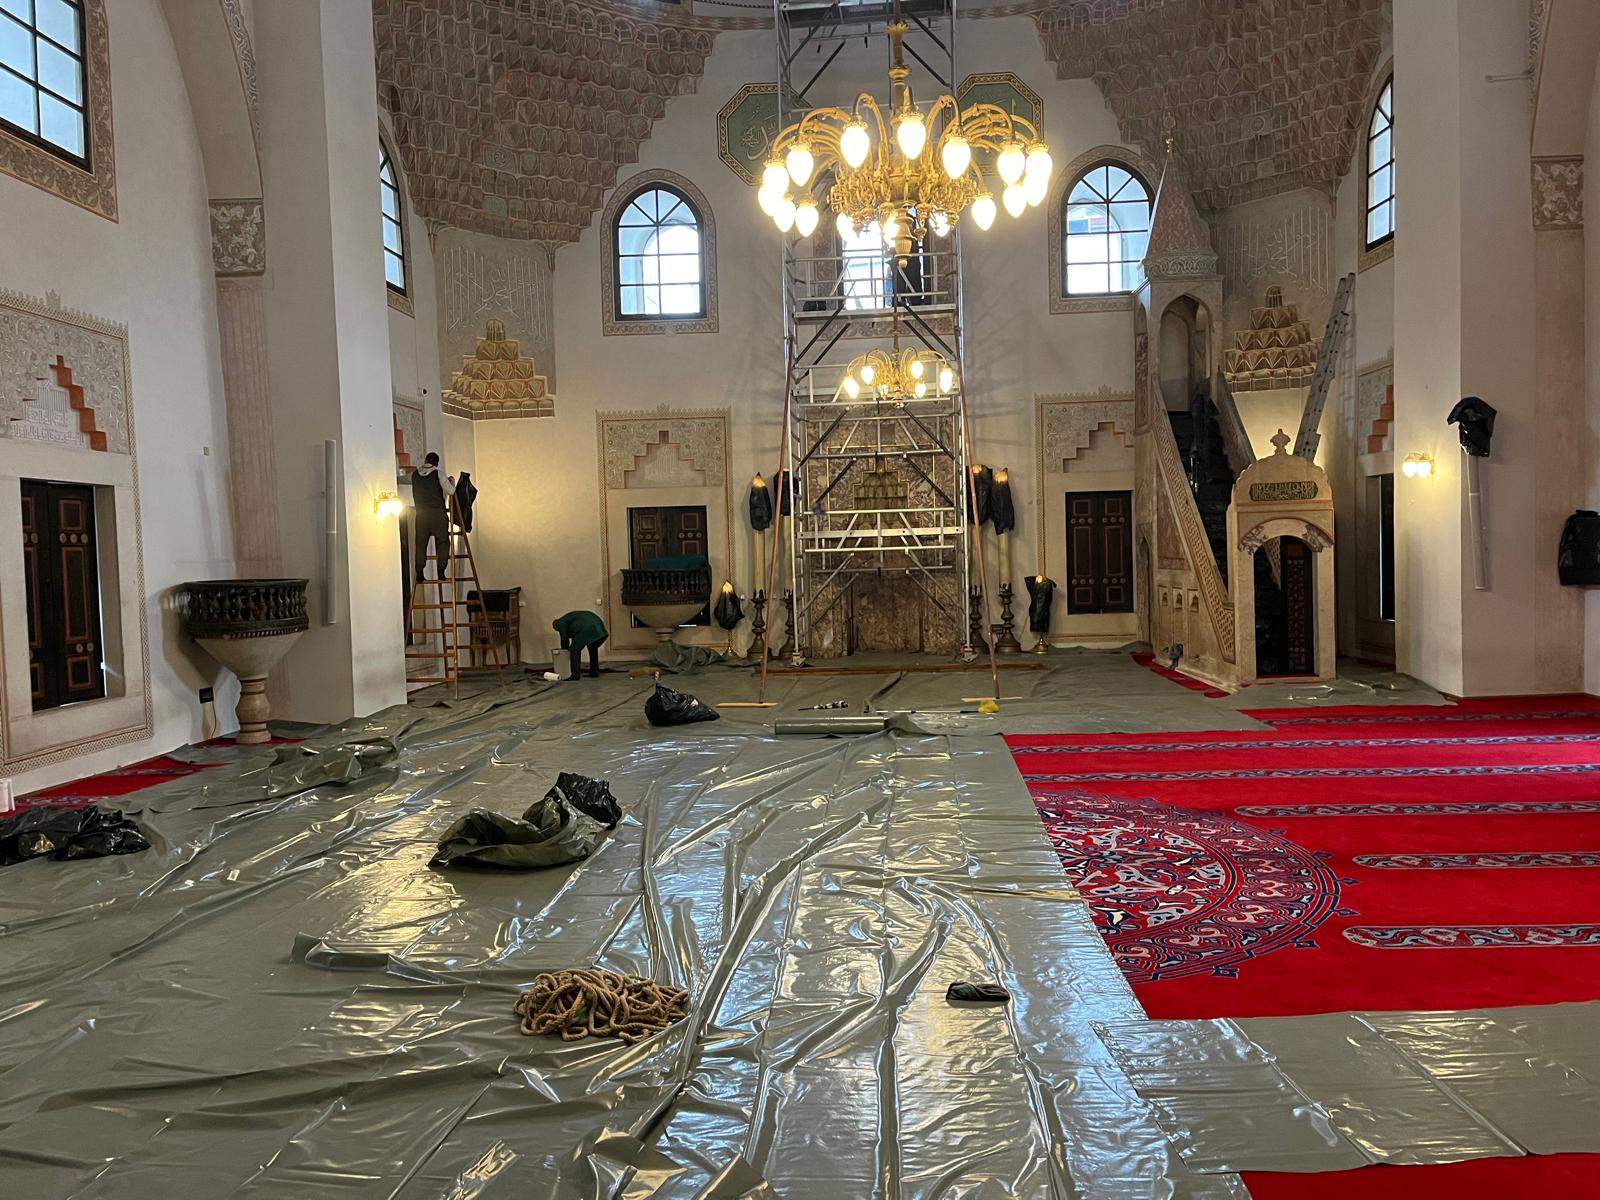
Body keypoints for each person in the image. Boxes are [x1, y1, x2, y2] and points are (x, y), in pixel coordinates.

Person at [410, 452, 455, 583]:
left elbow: (405, 480)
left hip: (421, 515)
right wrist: (452, 482)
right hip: (437, 513)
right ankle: (441, 571)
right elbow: (451, 491)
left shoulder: (414, 474)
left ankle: (419, 573)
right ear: (436, 462)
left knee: (420, 543)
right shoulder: (438, 473)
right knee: (443, 542)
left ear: (426, 460)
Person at [552, 610, 607, 680]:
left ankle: (575, 675)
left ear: (555, 626)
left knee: (574, 650)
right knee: (592, 648)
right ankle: (594, 672)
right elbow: (575, 638)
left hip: (588, 628)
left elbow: (564, 639)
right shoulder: (570, 620)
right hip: (601, 631)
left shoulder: (560, 623)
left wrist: (565, 653)